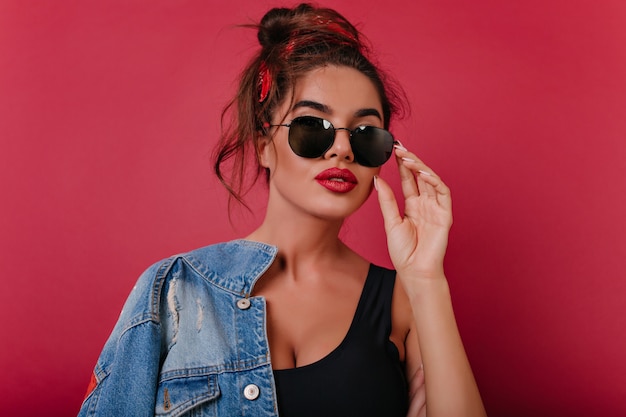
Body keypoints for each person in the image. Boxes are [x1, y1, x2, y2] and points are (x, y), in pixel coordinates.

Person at [78, 3, 486, 417]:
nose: (342, 149)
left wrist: (426, 278)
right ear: (263, 144)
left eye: (365, 134)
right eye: (313, 126)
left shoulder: (404, 299)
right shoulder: (175, 290)